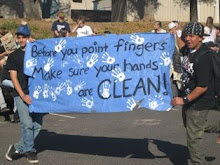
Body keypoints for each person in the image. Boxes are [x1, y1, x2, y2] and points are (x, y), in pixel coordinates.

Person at [171, 21, 220, 165]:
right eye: (187, 36)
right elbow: (181, 46)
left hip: (199, 100)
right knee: (191, 125)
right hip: (189, 97)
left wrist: (183, 100)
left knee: (193, 139)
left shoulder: (204, 57)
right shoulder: (188, 49)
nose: (188, 39)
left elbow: (203, 86)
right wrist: (176, 35)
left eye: (192, 36)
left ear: (201, 38)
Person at [5, 23, 44, 163]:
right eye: (19, 37)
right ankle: (30, 151)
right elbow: (13, 78)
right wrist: (23, 96)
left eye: (25, 37)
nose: (21, 40)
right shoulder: (14, 56)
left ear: (29, 37)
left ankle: (17, 147)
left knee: (37, 126)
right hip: (21, 94)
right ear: (16, 38)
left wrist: (37, 44)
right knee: (27, 124)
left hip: (37, 95)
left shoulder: (37, 51)